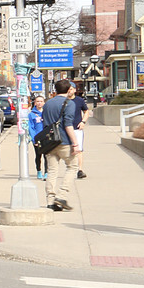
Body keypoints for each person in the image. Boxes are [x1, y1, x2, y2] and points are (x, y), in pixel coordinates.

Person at [41, 79, 82, 212]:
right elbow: (68, 125)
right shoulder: (69, 103)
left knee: (52, 171)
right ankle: (62, 196)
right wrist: (75, 143)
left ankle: (50, 201)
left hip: (49, 142)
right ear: (69, 89)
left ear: (56, 89)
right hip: (64, 141)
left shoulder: (47, 103)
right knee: (73, 167)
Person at [25, 95, 47, 180]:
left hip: (46, 137)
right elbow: (31, 127)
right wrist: (34, 139)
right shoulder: (31, 114)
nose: (39, 103)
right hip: (37, 137)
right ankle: (39, 171)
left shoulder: (46, 113)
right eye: (38, 101)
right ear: (35, 103)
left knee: (46, 156)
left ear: (44, 103)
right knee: (38, 155)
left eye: (41, 101)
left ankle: (46, 172)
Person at [73, 89, 91, 179]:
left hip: (77, 128)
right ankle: (70, 169)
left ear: (74, 90)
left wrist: (83, 122)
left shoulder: (79, 100)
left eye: (71, 89)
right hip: (64, 128)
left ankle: (79, 170)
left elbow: (86, 111)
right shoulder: (62, 100)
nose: (69, 91)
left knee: (79, 150)